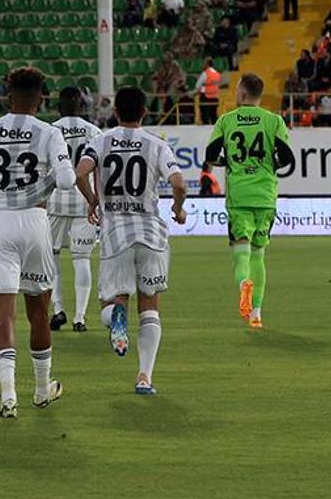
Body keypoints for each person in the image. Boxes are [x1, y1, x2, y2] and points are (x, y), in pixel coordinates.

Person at [0, 67, 74, 418]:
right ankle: (41, 389)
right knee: (39, 311)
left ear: (8, 94)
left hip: (0, 223)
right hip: (36, 223)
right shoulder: (48, 132)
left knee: (3, 315)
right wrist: (40, 188)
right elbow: (68, 180)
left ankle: (8, 396)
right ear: (42, 97)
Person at [75, 86, 187, 395]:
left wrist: (93, 200)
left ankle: (116, 317)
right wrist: (178, 208)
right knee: (150, 306)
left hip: (116, 235)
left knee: (111, 304)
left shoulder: (100, 141)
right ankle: (144, 377)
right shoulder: (157, 145)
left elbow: (80, 173)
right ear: (145, 112)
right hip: (151, 234)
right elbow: (179, 183)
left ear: (115, 113)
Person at [204, 73, 296, 330]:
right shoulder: (273, 121)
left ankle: (244, 283)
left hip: (239, 196)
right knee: (259, 254)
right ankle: (256, 313)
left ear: (243, 94)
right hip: (265, 196)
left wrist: (228, 162)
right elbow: (288, 157)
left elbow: (211, 155)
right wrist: (271, 164)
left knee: (240, 252)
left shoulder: (226, 121)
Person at [46, 87, 102, 333]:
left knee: (53, 257)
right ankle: (80, 317)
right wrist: (96, 199)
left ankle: (58, 310)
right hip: (84, 203)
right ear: (82, 105)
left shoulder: (49, 131)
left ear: (58, 105)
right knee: (82, 259)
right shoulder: (94, 132)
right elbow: (99, 171)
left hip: (56, 200)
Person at [195, 59, 222, 125]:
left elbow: (198, 85)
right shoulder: (217, 74)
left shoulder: (205, 73)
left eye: (204, 63)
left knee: (205, 116)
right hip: (215, 97)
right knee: (214, 115)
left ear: (207, 64)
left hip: (206, 97)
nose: (203, 65)